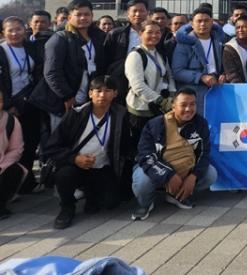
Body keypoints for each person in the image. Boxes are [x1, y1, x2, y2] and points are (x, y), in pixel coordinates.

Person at [47, 76, 128, 229]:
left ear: (115, 93)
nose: (102, 95)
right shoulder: (76, 114)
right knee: (64, 175)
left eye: (108, 91)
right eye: (98, 91)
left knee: (111, 202)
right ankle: (67, 207)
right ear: (90, 93)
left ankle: (92, 195)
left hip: (102, 167)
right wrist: (75, 158)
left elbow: (124, 147)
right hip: (76, 165)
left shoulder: (120, 115)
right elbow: (51, 146)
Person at [131, 88, 217, 220]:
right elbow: (145, 156)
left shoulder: (200, 123)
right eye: (183, 105)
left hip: (185, 168)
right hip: (156, 167)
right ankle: (145, 203)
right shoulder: (155, 125)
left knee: (211, 175)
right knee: (142, 181)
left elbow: (204, 153)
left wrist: (193, 176)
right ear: (173, 106)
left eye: (192, 104)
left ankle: (176, 195)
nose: (188, 109)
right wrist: (169, 175)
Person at [30, 0, 106, 133]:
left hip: (85, 98)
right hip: (62, 101)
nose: (83, 18)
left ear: (92, 16)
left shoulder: (97, 38)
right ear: (70, 17)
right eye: (78, 14)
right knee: (59, 139)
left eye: (87, 14)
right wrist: (67, 96)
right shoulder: (60, 38)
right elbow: (51, 73)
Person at [0, 17, 42, 193]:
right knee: (9, 145)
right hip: (8, 104)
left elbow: (37, 72)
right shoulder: (2, 50)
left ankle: (25, 181)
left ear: (25, 30)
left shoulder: (31, 48)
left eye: (18, 29)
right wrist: (8, 105)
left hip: (29, 101)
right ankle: (7, 182)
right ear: (3, 32)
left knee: (30, 142)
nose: (15, 33)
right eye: (10, 30)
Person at [124, 21, 176, 147]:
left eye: (157, 32)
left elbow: (169, 75)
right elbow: (138, 85)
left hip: (158, 108)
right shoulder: (136, 55)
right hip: (141, 109)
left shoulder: (160, 54)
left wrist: (172, 95)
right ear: (141, 34)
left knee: (156, 144)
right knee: (140, 145)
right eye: (150, 32)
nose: (154, 35)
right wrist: (160, 100)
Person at [172, 7, 226, 116]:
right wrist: (201, 77)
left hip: (217, 90)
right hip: (194, 95)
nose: (203, 24)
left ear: (212, 22)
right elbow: (177, 71)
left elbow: (223, 65)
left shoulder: (219, 41)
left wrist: (224, 74)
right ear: (192, 24)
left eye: (206, 21)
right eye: (199, 21)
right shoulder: (184, 44)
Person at [101, 0, 151, 104]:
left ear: (147, 13)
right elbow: (105, 59)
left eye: (141, 11)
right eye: (134, 11)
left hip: (148, 79)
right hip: (121, 80)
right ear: (128, 13)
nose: (138, 14)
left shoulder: (154, 34)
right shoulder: (115, 34)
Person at [0, 90, 26, 220]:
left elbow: (17, 149)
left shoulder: (11, 121)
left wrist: (2, 165)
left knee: (15, 171)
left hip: (2, 163)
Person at [223, 15, 247, 83]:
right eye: (238, 27)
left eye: (244, 27)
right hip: (239, 87)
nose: (240, 30)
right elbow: (232, 74)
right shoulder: (229, 48)